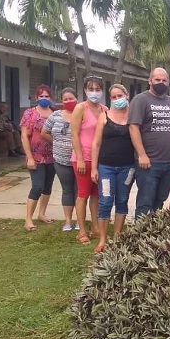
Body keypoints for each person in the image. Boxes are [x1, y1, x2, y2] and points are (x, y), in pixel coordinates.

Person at [91, 84, 135, 253]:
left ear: (127, 95)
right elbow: (96, 143)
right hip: (106, 167)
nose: (117, 100)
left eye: (119, 96)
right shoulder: (104, 116)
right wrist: (94, 168)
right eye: (114, 97)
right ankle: (103, 240)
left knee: (122, 200)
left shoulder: (133, 116)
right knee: (105, 201)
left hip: (128, 168)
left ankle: (117, 237)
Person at [129, 67, 170, 217]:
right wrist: (142, 154)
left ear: (168, 82)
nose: (160, 83)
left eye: (164, 80)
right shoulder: (140, 100)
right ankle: (139, 236)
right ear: (149, 81)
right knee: (145, 202)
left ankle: (153, 234)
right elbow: (133, 127)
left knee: (159, 201)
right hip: (148, 162)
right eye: (157, 80)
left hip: (168, 162)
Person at [71, 74, 108, 245]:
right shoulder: (80, 108)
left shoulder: (104, 110)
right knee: (83, 194)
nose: (94, 92)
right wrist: (79, 157)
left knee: (96, 195)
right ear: (85, 90)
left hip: (99, 159)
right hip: (83, 158)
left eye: (97, 89)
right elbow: (74, 134)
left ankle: (95, 226)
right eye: (91, 89)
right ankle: (82, 231)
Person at [41, 88, 79, 232]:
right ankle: (68, 221)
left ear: (77, 98)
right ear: (61, 101)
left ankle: (79, 221)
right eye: (65, 99)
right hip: (61, 161)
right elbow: (44, 132)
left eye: (71, 98)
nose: (68, 102)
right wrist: (56, 142)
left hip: (79, 161)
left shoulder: (82, 114)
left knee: (79, 191)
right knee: (67, 190)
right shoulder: (55, 116)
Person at [19, 85, 55, 231]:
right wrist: (30, 157)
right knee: (37, 187)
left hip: (52, 157)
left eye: (47, 96)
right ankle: (28, 219)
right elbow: (24, 137)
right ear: (36, 98)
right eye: (41, 96)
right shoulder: (30, 113)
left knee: (47, 187)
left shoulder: (54, 113)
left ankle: (42, 213)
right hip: (36, 157)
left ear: (51, 98)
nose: (44, 99)